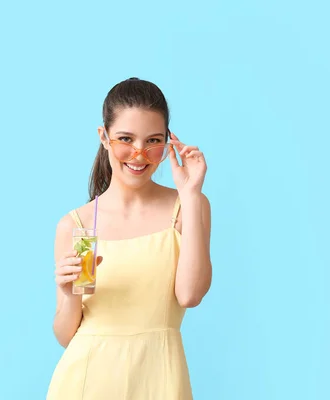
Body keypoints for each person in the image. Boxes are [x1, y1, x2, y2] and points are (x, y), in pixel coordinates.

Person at [46, 77, 212, 400]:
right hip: (84, 383)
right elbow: (67, 335)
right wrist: (69, 293)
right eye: (126, 139)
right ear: (103, 137)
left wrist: (190, 194)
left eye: (153, 141)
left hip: (159, 381)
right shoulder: (80, 225)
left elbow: (190, 294)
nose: (139, 154)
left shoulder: (186, 207)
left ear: (168, 143)